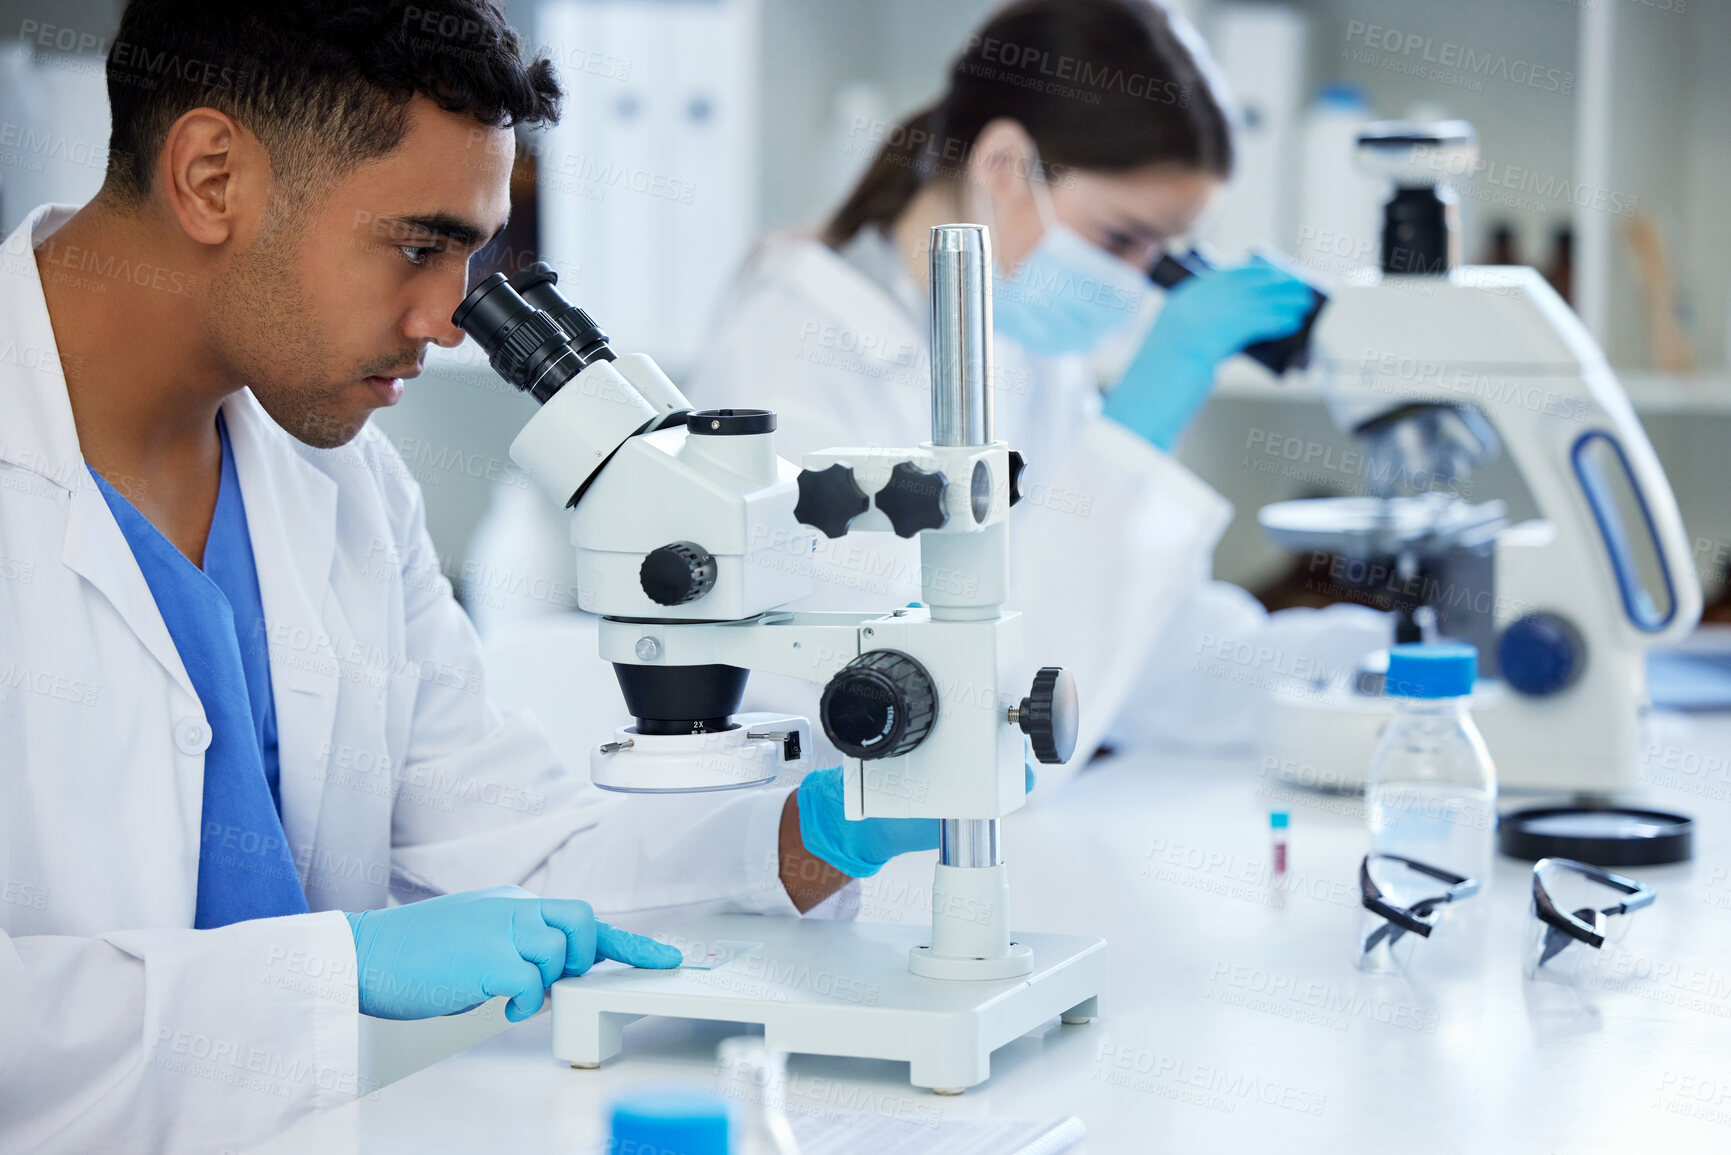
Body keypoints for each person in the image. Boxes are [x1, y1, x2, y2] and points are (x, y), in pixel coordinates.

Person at [0, 4, 939, 1151]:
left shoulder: (344, 487)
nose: (451, 319)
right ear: (210, 177)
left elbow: (517, 857)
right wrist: (333, 968)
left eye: (477, 258)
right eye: (417, 245)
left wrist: (803, 836)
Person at [469, 0, 1349, 774]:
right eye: (1123, 240)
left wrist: (1364, 666)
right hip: (839, 834)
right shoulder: (800, 335)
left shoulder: (1014, 337)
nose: (1137, 284)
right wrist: (1130, 442)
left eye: (1166, 257)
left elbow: (1125, 651)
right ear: (1004, 167)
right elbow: (945, 697)